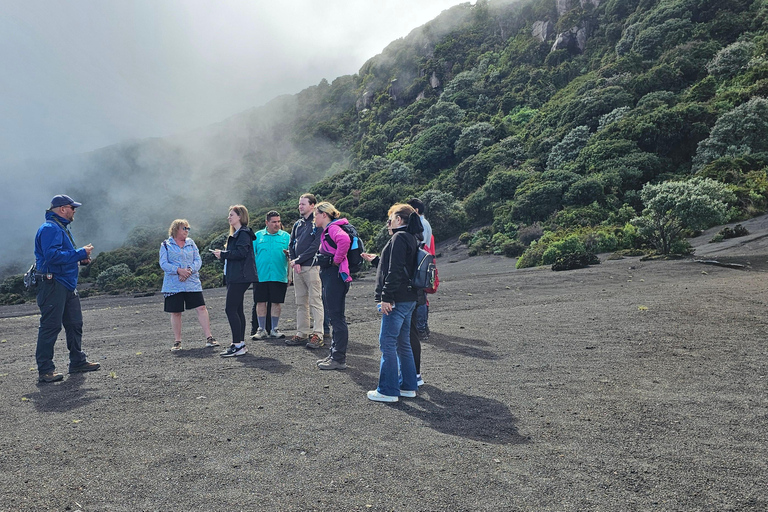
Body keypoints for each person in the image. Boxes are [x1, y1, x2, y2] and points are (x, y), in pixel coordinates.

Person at [34, 194, 100, 383]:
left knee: (74, 323)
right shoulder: (50, 228)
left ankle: (77, 362)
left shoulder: (59, 227)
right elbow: (52, 256)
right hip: (53, 284)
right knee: (50, 326)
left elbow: (61, 255)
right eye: (72, 207)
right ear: (62, 209)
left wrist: (80, 258)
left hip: (65, 283)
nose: (74, 211)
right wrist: (80, 253)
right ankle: (45, 370)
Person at [362, 203, 422, 402]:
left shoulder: (399, 237)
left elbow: (395, 270)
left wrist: (385, 298)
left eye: (390, 219)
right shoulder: (413, 237)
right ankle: (408, 386)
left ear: (399, 220)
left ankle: (388, 390)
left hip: (397, 299)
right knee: (402, 343)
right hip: (410, 297)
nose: (388, 223)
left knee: (387, 342)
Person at [159, 219, 218, 351]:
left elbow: (198, 260)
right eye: (184, 228)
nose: (187, 231)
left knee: (201, 307)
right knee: (176, 312)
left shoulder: (191, 243)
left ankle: (209, 337)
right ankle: (177, 342)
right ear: (175, 229)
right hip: (173, 285)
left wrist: (189, 270)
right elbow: (163, 263)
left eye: (188, 228)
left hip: (192, 283)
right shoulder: (165, 245)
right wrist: (179, 270)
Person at [212, 205, 258, 357]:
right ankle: (239, 344)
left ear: (240, 216)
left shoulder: (243, 233)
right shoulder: (239, 233)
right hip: (236, 276)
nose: (228, 217)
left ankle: (237, 344)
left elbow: (241, 253)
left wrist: (223, 254)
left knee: (230, 309)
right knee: (237, 309)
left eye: (231, 214)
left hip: (240, 277)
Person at [313, 201, 352, 370]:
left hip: (335, 276)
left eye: (316, 214)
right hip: (333, 276)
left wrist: (335, 261)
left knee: (336, 317)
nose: (314, 218)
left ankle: (338, 358)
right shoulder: (330, 229)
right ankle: (334, 354)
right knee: (335, 316)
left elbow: (344, 241)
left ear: (324, 215)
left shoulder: (333, 229)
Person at [286, 193, 325, 348]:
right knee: (300, 302)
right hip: (298, 268)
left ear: (312, 205)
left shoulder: (317, 224)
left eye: (303, 204)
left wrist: (298, 260)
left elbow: (315, 246)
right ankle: (302, 333)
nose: (300, 206)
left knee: (315, 300)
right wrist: (294, 261)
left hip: (312, 267)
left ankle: (318, 334)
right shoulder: (298, 224)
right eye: (299, 204)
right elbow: (291, 244)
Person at [250, 210, 291, 340]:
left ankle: (274, 329)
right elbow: (251, 255)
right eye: (274, 222)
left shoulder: (286, 236)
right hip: (261, 275)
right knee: (260, 302)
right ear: (267, 222)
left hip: (279, 275)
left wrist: (290, 275)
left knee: (276, 302)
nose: (277, 224)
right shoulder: (258, 236)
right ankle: (261, 329)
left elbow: (292, 257)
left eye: (278, 221)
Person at [407, 198, 433, 342]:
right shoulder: (425, 222)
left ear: (415, 210)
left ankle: (421, 328)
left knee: (420, 298)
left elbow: (420, 243)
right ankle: (423, 327)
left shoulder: (421, 223)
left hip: (418, 262)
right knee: (422, 297)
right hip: (422, 261)